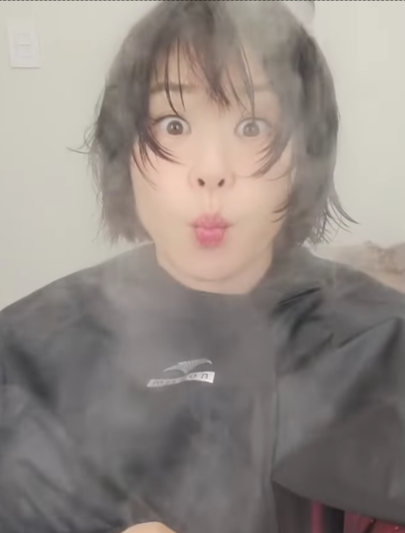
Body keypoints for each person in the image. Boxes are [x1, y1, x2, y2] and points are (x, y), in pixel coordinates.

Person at [0, 2, 404, 533]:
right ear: (123, 152)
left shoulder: (381, 342)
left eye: (252, 126)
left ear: (306, 157)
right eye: (173, 124)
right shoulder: (26, 354)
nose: (211, 171)